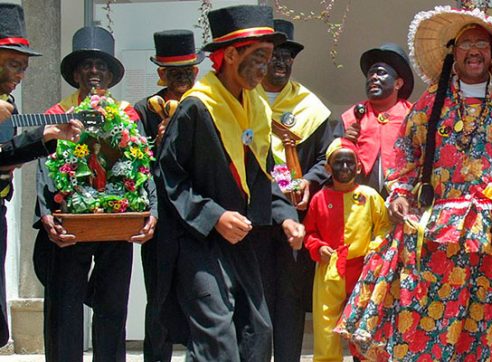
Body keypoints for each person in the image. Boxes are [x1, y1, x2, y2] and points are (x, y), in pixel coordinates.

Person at [337, 6, 492, 360]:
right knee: (428, 332)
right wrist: (399, 194)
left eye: (482, 44)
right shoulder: (428, 105)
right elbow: (406, 154)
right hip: (436, 233)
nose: (474, 51)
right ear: (453, 53)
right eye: (466, 44)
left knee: (491, 330)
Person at [156, 5, 304, 361]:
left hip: (241, 239)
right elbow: (169, 176)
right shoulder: (196, 107)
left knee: (258, 330)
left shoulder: (255, 107)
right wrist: (215, 217)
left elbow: (262, 172)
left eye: (268, 58)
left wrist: (286, 215)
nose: (264, 69)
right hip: (199, 240)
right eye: (257, 57)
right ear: (230, 54)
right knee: (217, 336)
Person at [32, 26, 155, 362]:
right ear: (75, 73)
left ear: (112, 75)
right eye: (87, 65)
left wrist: (151, 211)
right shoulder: (57, 115)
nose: (94, 72)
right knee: (66, 305)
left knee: (113, 304)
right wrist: (46, 213)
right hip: (71, 223)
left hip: (117, 222)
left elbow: (144, 167)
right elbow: (44, 167)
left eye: (102, 66)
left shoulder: (127, 115)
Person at [257, 18, 342, 361]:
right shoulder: (245, 101)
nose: (280, 63)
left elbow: (328, 155)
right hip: (257, 216)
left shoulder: (311, 107)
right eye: (273, 56)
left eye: (286, 57)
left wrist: (309, 179)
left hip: (297, 217)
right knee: (258, 296)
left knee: (291, 299)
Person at [0, 3, 82, 349]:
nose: (20, 74)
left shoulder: (7, 105)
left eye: (24, 67)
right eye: (14, 64)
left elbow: (8, 154)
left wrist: (49, 135)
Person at [132, 29, 202, 362]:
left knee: (201, 295)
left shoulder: (207, 106)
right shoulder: (144, 111)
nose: (181, 79)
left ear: (197, 72)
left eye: (187, 73)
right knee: (158, 296)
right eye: (173, 74)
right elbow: (136, 167)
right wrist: (156, 144)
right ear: (160, 73)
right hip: (161, 219)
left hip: (200, 216)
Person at [303, 138, 391, 362]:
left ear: (358, 166)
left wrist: (374, 250)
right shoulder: (318, 199)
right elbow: (309, 233)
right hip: (329, 272)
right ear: (328, 168)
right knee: (325, 331)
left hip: (363, 272)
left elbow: (384, 229)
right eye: (338, 163)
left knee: (363, 327)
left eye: (349, 163)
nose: (344, 168)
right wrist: (318, 247)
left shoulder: (370, 196)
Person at [341, 43, 414, 196]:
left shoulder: (413, 116)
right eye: (370, 74)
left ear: (398, 83)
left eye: (381, 73)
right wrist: (345, 143)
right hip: (359, 201)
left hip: (403, 200)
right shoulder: (351, 117)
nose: (373, 77)